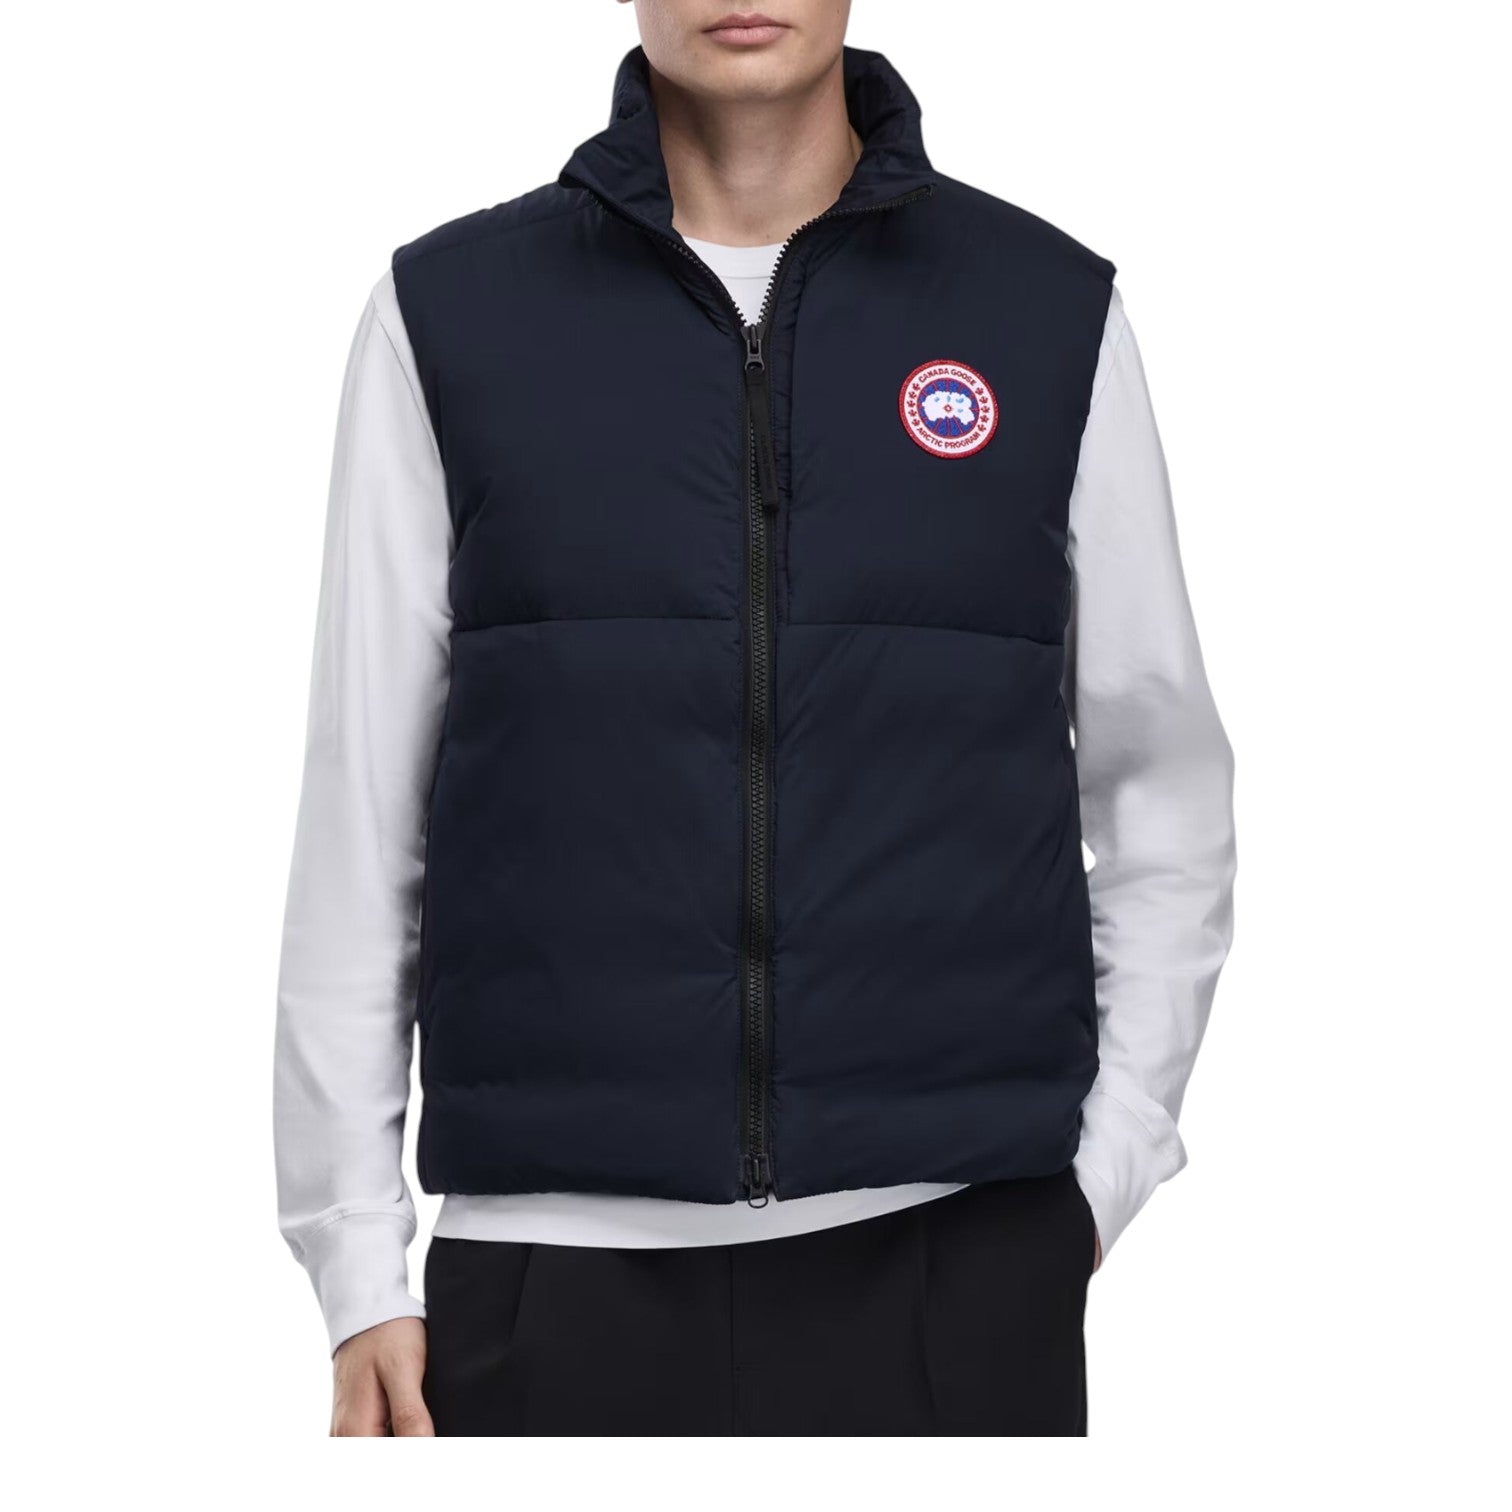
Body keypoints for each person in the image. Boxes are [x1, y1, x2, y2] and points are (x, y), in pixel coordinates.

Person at [275, 0, 1236, 1437]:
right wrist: (354, 1258)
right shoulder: (451, 315)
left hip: (956, 1259)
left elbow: (1165, 786)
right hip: (551, 1276)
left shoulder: (1044, 312)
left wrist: (1102, 1175)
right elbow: (363, 809)